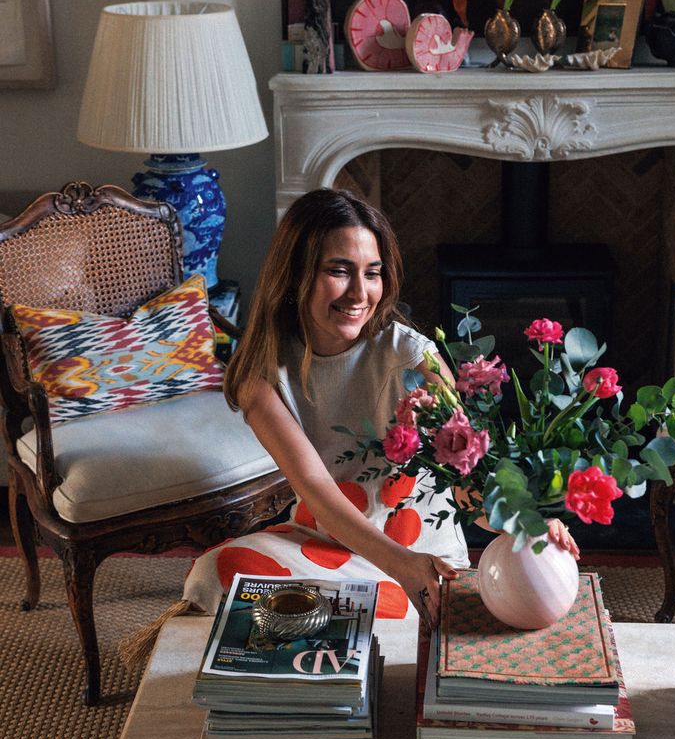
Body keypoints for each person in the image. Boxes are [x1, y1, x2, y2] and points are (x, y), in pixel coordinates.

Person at [183, 188, 578, 629]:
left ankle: (359, 616)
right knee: (213, 574)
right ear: (295, 276)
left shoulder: (413, 359)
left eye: (372, 273)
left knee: (287, 612)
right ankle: (365, 616)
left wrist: (524, 523)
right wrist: (396, 565)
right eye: (338, 271)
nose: (359, 292)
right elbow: (319, 494)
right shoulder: (261, 374)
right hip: (323, 548)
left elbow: (467, 480)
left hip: (423, 558)